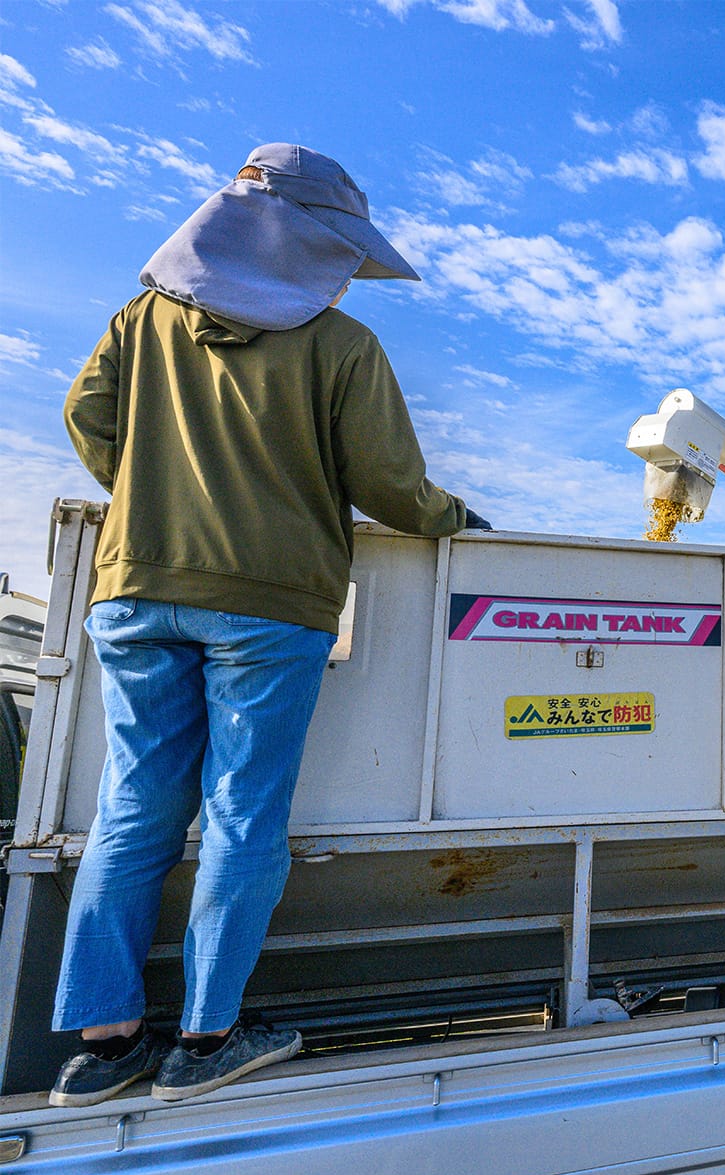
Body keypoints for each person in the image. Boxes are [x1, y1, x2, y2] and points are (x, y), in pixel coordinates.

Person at [49, 143, 487, 1107]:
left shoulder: (141, 319)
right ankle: (206, 1040)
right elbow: (390, 487)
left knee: (131, 810)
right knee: (244, 812)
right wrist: (455, 518)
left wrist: (155, 513)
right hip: (268, 604)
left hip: (133, 590)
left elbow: (89, 423)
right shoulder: (341, 348)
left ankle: (104, 1043)